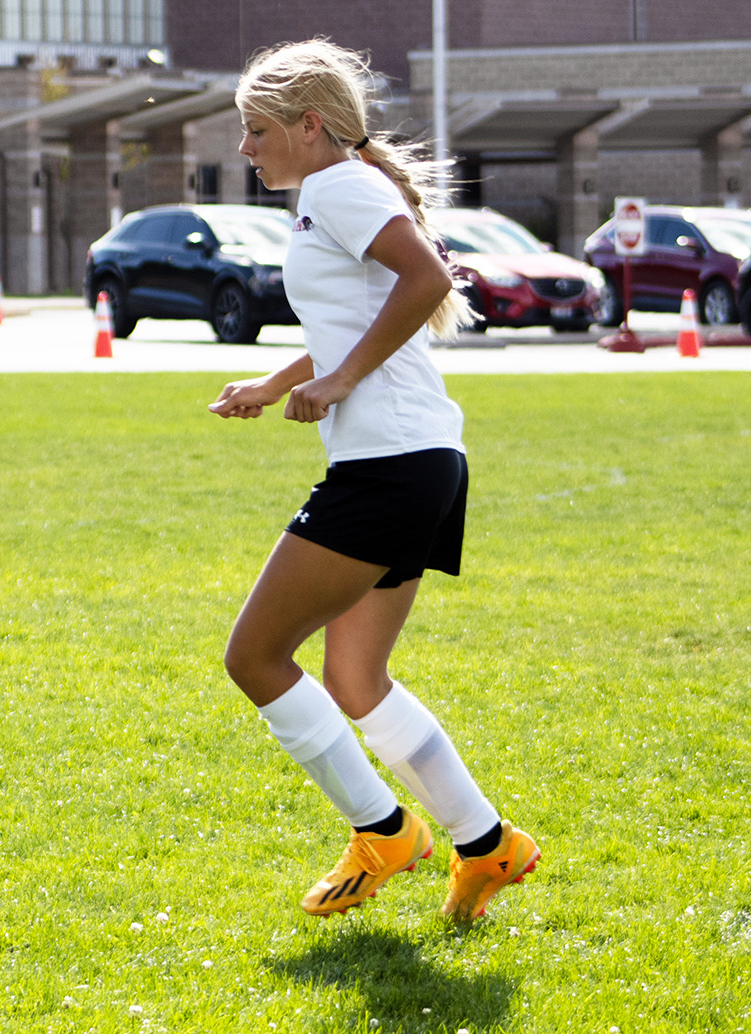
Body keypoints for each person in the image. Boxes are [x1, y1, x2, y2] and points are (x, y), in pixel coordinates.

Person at [206, 40, 539, 921]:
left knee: (254, 656)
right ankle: (488, 844)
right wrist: (280, 381)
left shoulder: (338, 186)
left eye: (257, 130)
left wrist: (340, 382)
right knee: (356, 680)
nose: (247, 149)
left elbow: (426, 281)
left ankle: (383, 831)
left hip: (391, 466)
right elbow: (356, 311)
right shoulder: (338, 189)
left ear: (310, 127)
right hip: (419, 461)